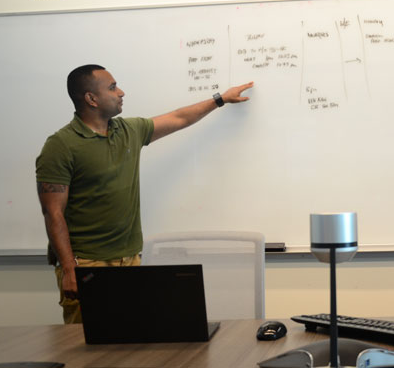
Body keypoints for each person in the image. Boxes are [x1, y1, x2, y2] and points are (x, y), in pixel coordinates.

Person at [35, 64, 254, 323]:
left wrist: (220, 99)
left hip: (129, 261)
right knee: (87, 351)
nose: (121, 92)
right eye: (113, 87)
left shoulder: (128, 131)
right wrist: (70, 269)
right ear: (91, 98)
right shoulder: (61, 145)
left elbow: (179, 118)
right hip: (87, 265)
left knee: (133, 343)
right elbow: (53, 213)